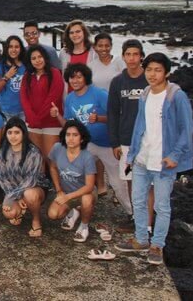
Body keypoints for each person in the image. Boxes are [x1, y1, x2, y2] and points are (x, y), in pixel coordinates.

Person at [116, 53, 193, 265]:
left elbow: (186, 130)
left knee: (161, 205)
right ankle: (141, 239)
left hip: (164, 162)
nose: (152, 74)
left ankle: (157, 245)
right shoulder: (146, 93)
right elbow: (139, 126)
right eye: (149, 69)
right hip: (142, 158)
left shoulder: (176, 96)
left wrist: (175, 155)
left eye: (157, 70)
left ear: (167, 72)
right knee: (139, 201)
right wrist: (132, 154)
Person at [51, 64, 132, 216]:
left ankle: (133, 213)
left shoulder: (99, 94)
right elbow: (69, 126)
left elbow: (118, 116)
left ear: (86, 78)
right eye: (72, 77)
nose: (75, 80)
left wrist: (99, 118)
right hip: (87, 144)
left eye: (79, 77)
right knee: (72, 173)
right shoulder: (69, 99)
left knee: (117, 182)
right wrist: (57, 116)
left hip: (107, 144)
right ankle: (78, 206)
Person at [108, 39, 152, 233]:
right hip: (126, 141)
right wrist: (115, 142)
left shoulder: (150, 79)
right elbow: (112, 112)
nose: (132, 58)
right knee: (131, 182)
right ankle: (136, 219)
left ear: (141, 56)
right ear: (123, 56)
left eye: (135, 54)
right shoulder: (118, 82)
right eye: (128, 54)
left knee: (149, 183)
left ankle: (148, 225)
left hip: (149, 140)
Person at [0, 117, 49, 237]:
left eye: (17, 132)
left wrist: (15, 197)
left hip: (35, 187)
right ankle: (20, 211)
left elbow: (31, 179)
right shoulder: (1, 152)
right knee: (9, 213)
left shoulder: (33, 152)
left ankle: (36, 220)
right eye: (10, 132)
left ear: (24, 133)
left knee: (29, 195)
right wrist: (15, 198)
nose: (13, 136)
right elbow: (2, 179)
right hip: (14, 191)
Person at [47, 120, 97, 243]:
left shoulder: (87, 157)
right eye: (68, 134)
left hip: (83, 192)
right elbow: (52, 167)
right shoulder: (57, 148)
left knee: (86, 199)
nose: (71, 138)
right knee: (53, 214)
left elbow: (89, 186)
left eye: (75, 135)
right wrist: (58, 190)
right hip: (65, 192)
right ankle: (74, 211)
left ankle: (84, 226)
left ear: (82, 139)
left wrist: (68, 197)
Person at [20, 45, 64, 161]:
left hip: (51, 122)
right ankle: (40, 180)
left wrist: (38, 118)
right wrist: (31, 118)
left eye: (40, 57)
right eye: (33, 58)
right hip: (33, 124)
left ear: (45, 57)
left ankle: (54, 180)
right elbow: (24, 99)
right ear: (30, 61)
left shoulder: (55, 73)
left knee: (51, 159)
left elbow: (53, 98)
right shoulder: (27, 77)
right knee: (37, 160)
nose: (37, 60)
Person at [0, 35, 27, 119]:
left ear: (21, 49)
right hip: (5, 112)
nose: (13, 50)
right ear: (6, 48)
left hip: (23, 111)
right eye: (10, 47)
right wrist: (6, 77)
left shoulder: (26, 66)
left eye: (16, 47)